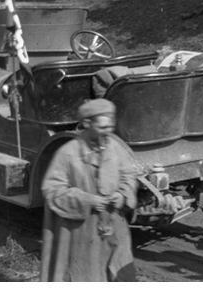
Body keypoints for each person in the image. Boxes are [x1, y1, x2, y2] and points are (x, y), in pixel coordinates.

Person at [40, 98, 138, 282]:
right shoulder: (67, 152)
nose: (107, 132)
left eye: (110, 127)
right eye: (102, 128)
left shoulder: (116, 147)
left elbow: (129, 175)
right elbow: (52, 190)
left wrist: (122, 195)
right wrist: (87, 200)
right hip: (81, 232)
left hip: (113, 228)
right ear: (87, 123)